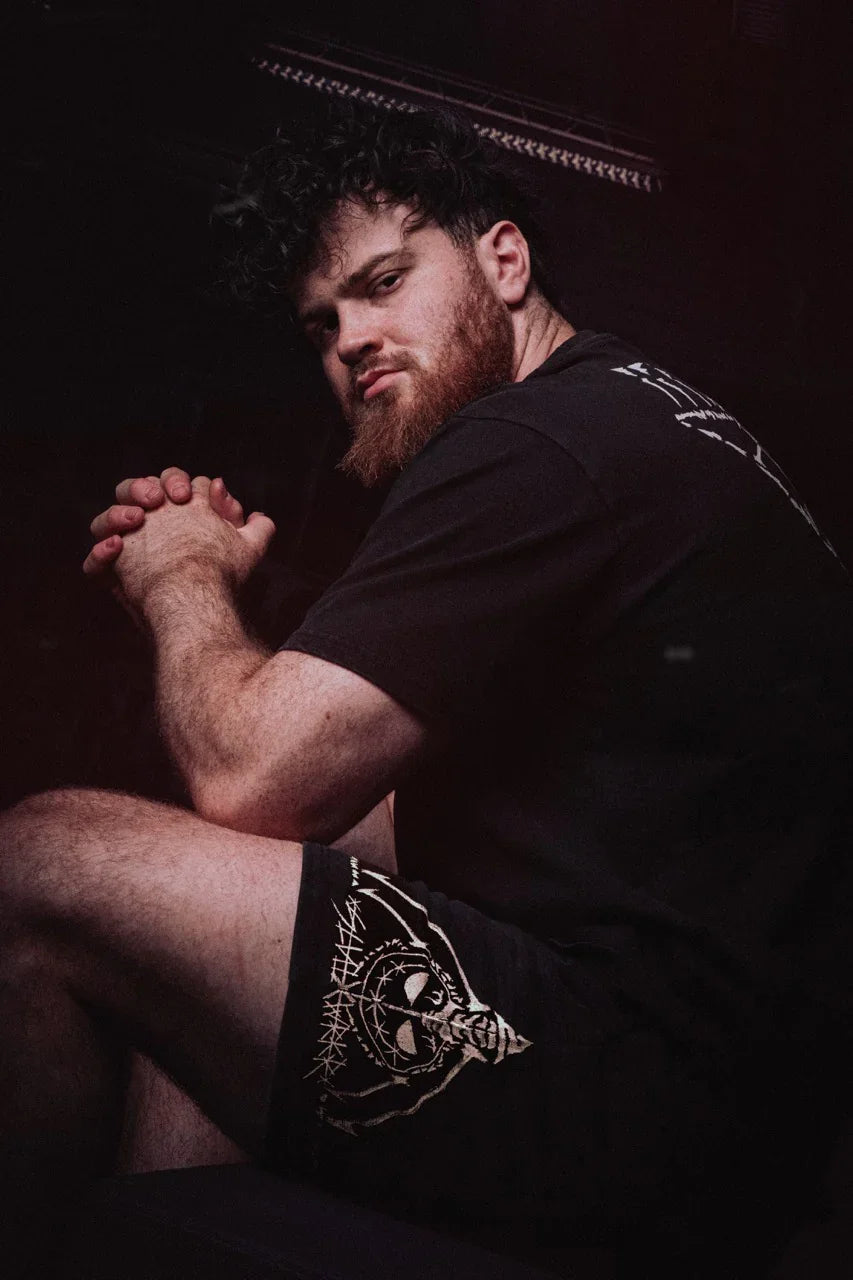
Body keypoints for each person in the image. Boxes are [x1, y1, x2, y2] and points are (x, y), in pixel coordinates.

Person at [1, 104, 851, 1278]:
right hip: (737, 1118)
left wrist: (184, 579)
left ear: (504, 262)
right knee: (179, 949)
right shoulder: (652, 424)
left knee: (44, 865)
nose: (352, 339)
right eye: (323, 323)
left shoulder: (538, 442)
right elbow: (382, 821)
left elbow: (253, 773)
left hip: (637, 1100)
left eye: (385, 281)